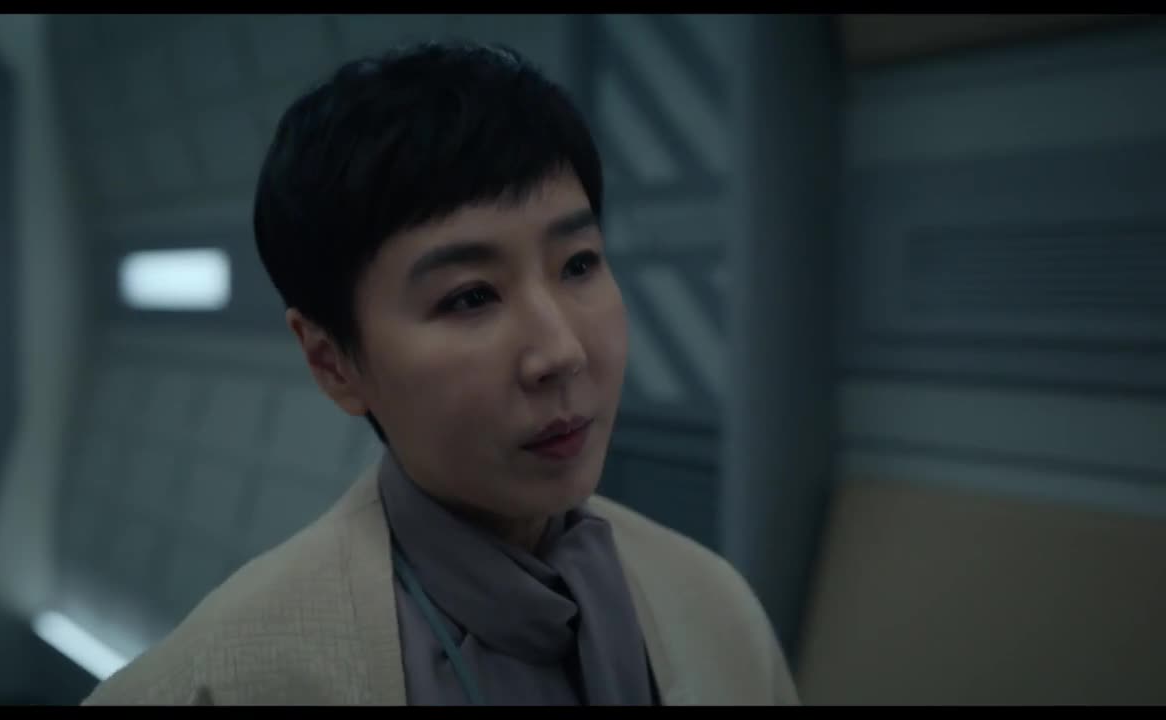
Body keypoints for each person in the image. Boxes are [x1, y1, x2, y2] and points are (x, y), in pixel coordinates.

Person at [81, 40, 798, 706]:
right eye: (470, 297)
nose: (561, 352)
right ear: (333, 362)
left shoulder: (713, 607)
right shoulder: (224, 683)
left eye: (579, 263)